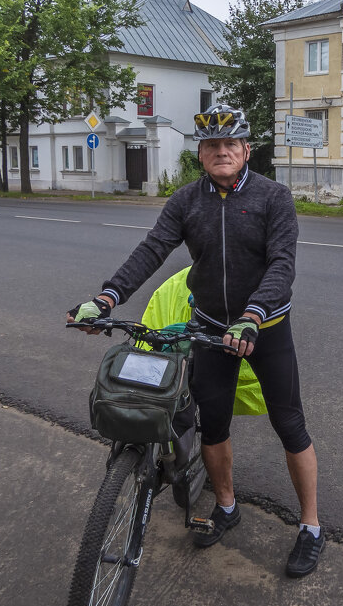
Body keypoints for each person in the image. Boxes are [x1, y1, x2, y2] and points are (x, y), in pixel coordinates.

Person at [67, 103, 324, 578]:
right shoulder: (187, 200)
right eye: (211, 145)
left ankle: (310, 526)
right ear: (201, 154)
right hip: (208, 328)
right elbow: (152, 249)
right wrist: (106, 298)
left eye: (231, 144)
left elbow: (281, 265)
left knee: (290, 425)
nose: (222, 152)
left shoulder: (274, 197)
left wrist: (251, 316)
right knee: (215, 424)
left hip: (264, 330)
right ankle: (226, 505)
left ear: (247, 150)